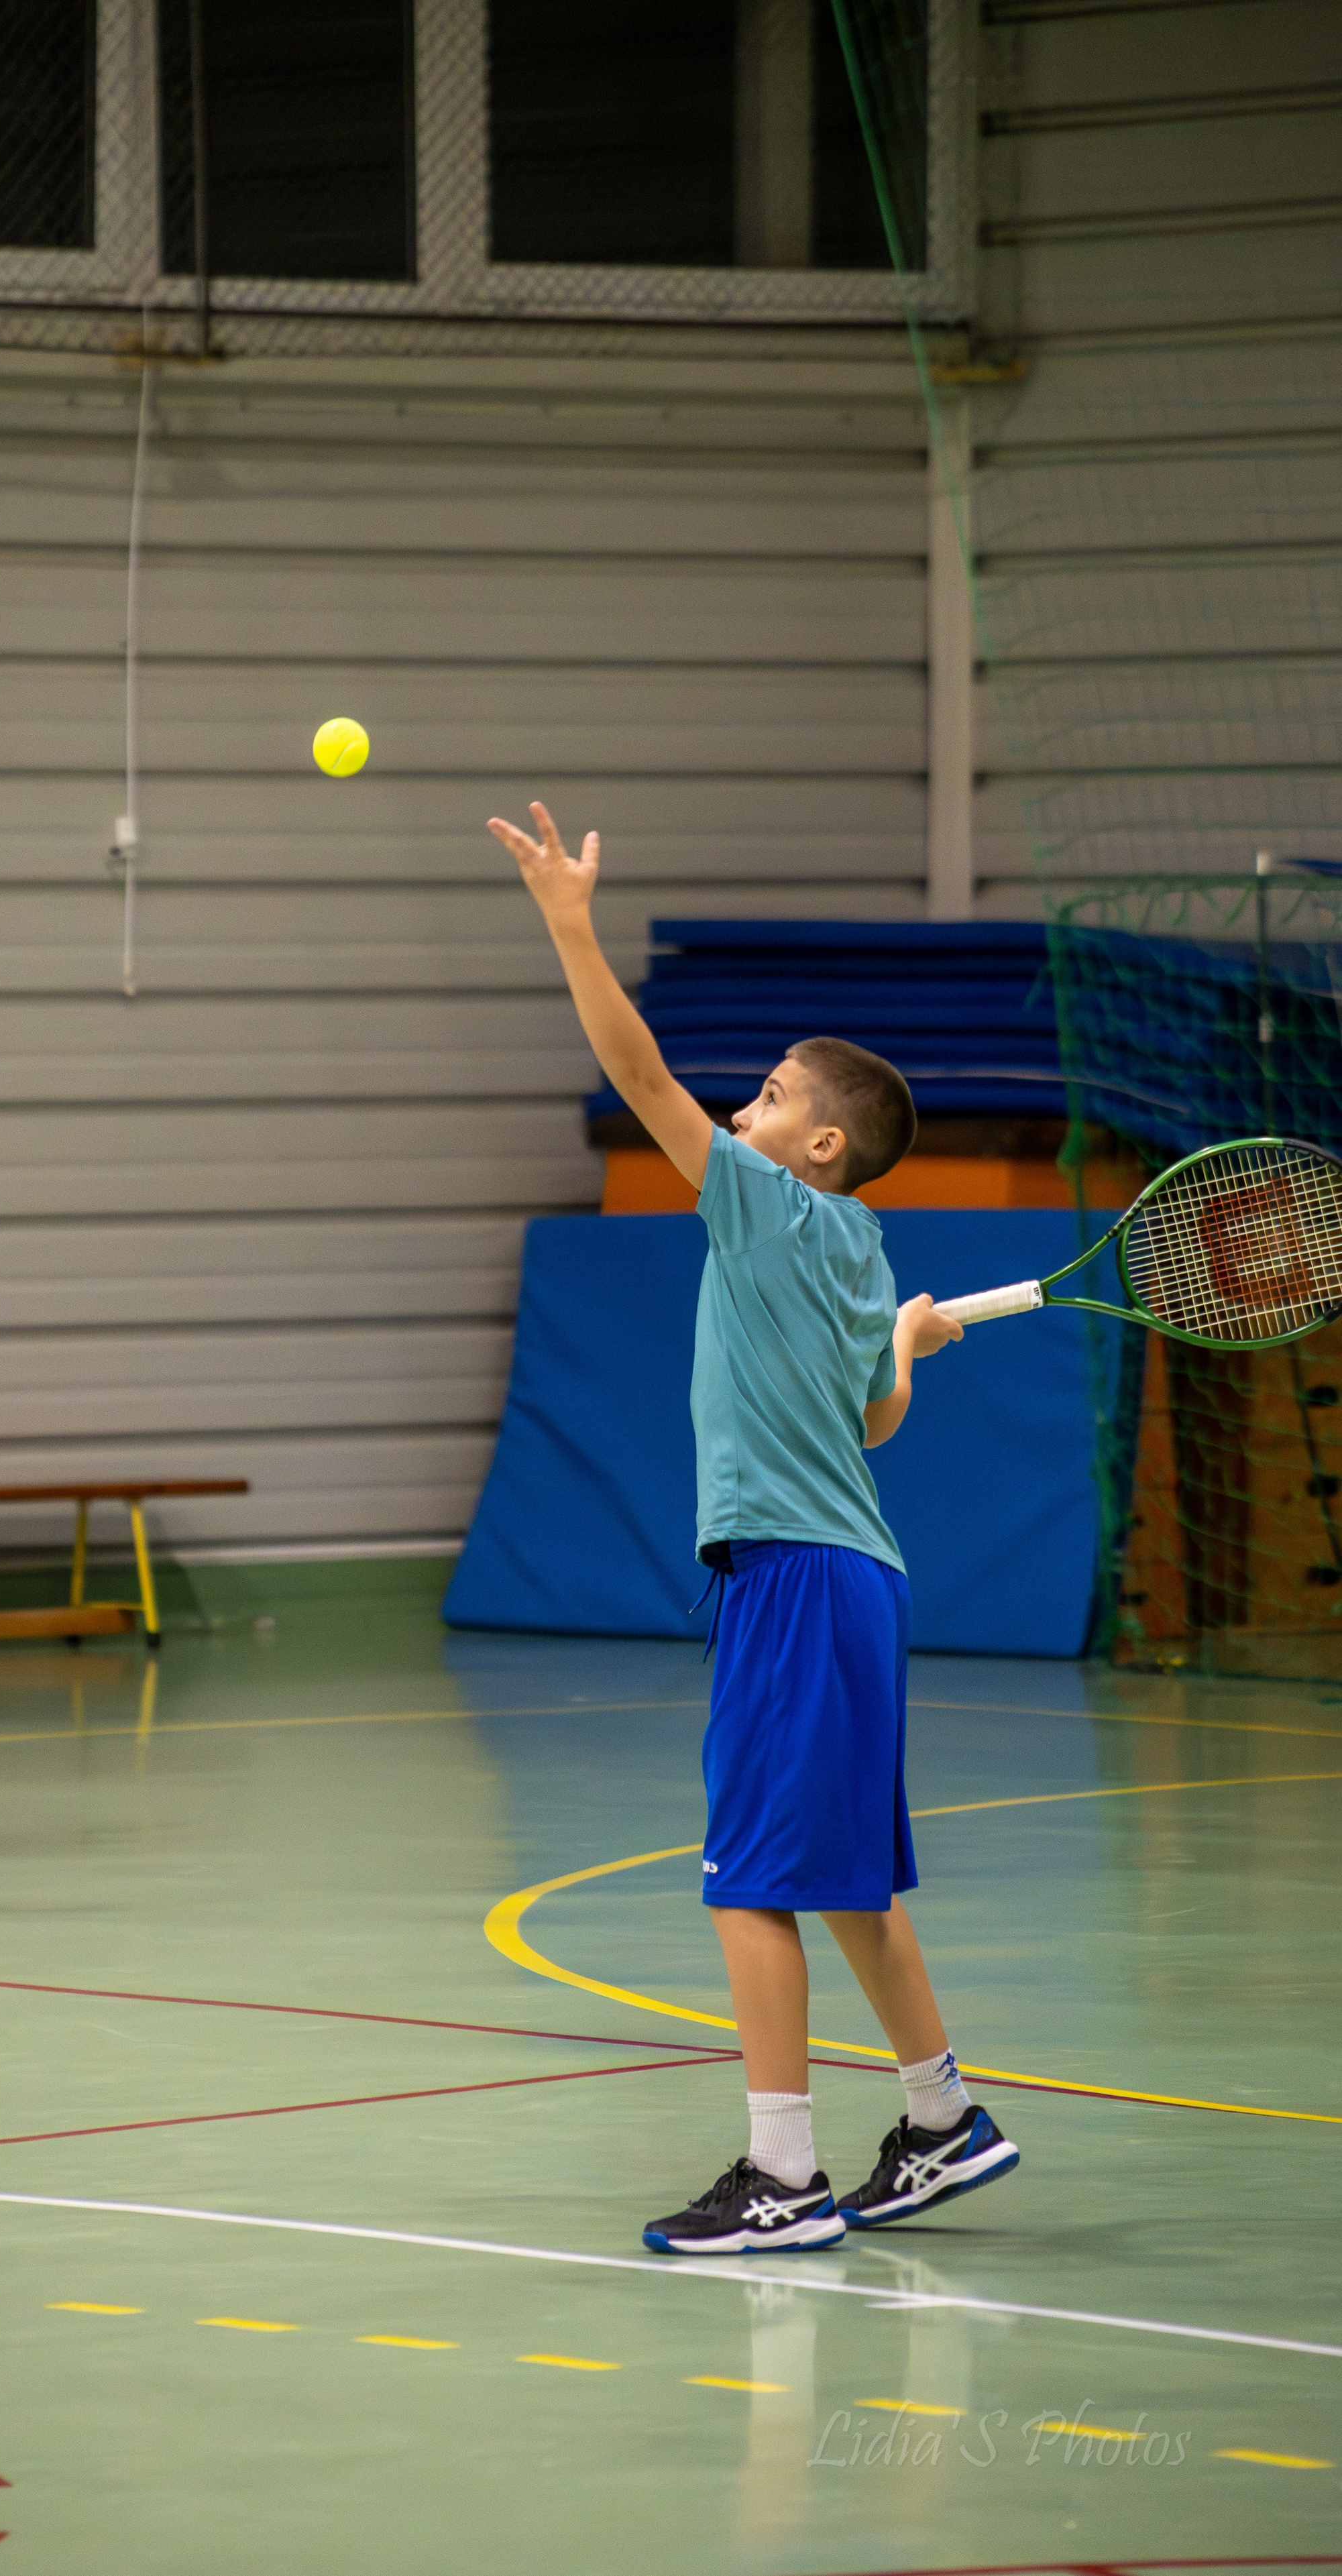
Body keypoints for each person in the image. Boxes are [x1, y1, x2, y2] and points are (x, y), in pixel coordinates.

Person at [487, 801, 1020, 2253]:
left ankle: (781, 2177)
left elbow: (639, 1077)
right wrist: (902, 1343)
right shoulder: (860, 1249)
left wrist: (569, 923)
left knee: (751, 1882)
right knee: (848, 1880)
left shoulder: (770, 1208)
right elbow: (874, 1422)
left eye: (773, 1092)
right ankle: (939, 2121)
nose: (744, 1102)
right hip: (859, 1576)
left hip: (789, 1576)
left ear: (817, 1143)